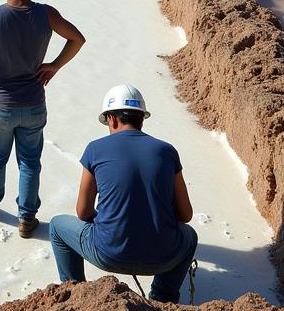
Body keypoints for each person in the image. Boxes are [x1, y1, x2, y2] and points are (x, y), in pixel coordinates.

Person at [0, 0, 85, 237]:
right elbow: (77, 39)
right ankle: (26, 218)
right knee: (30, 162)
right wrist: (54, 65)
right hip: (34, 103)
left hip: (2, 104)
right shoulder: (47, 14)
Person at [48, 85, 198, 305]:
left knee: (57, 226)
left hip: (108, 254)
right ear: (142, 119)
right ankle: (162, 298)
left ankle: (76, 293)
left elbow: (82, 212)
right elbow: (185, 215)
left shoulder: (95, 149)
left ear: (111, 119)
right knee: (189, 235)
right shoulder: (167, 151)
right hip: (163, 258)